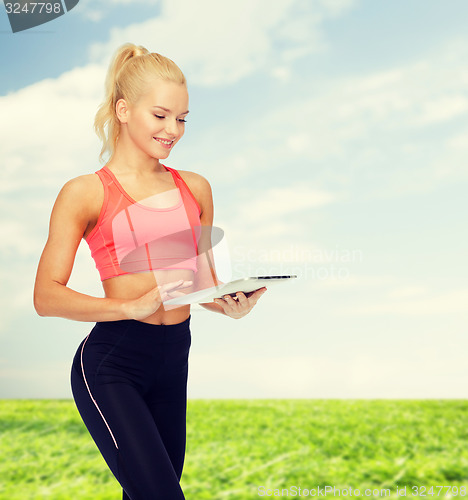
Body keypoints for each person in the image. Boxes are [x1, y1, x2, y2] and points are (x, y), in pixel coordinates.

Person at [33, 42, 267, 500]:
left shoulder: (195, 188)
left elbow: (199, 284)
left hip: (174, 355)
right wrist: (130, 305)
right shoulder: (85, 192)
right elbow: (46, 296)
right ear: (123, 109)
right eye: (160, 116)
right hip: (113, 361)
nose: (173, 130)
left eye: (181, 119)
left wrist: (228, 303)